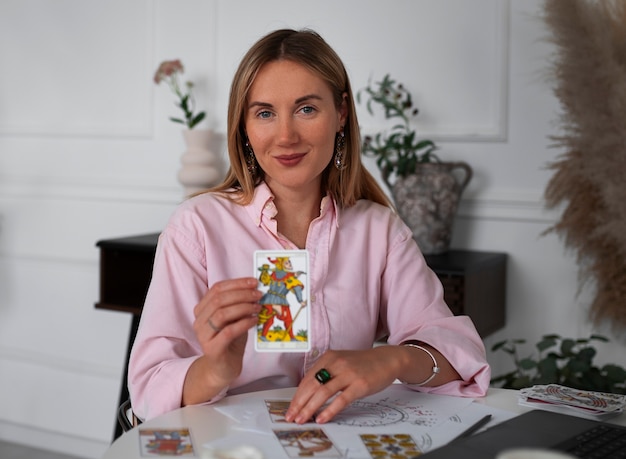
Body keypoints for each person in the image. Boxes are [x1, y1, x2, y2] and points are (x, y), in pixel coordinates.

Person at [128, 28, 490, 424]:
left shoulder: (379, 231)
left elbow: (460, 355)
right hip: (229, 454)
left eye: (306, 109)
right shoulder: (196, 228)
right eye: (265, 113)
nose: (286, 136)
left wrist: (391, 359)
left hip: (340, 450)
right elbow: (147, 391)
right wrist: (216, 369)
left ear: (341, 115)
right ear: (244, 127)